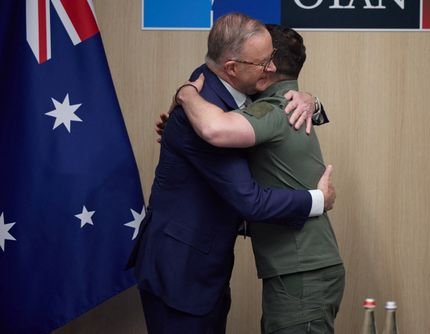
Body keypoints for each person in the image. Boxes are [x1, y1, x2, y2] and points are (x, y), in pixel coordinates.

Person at [127, 13, 335, 334]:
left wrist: (312, 101)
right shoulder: (203, 110)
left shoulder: (227, 90)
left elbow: (280, 107)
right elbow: (249, 200)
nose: (271, 69)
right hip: (180, 272)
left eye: (272, 60)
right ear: (232, 68)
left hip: (202, 266)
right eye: (264, 62)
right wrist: (317, 200)